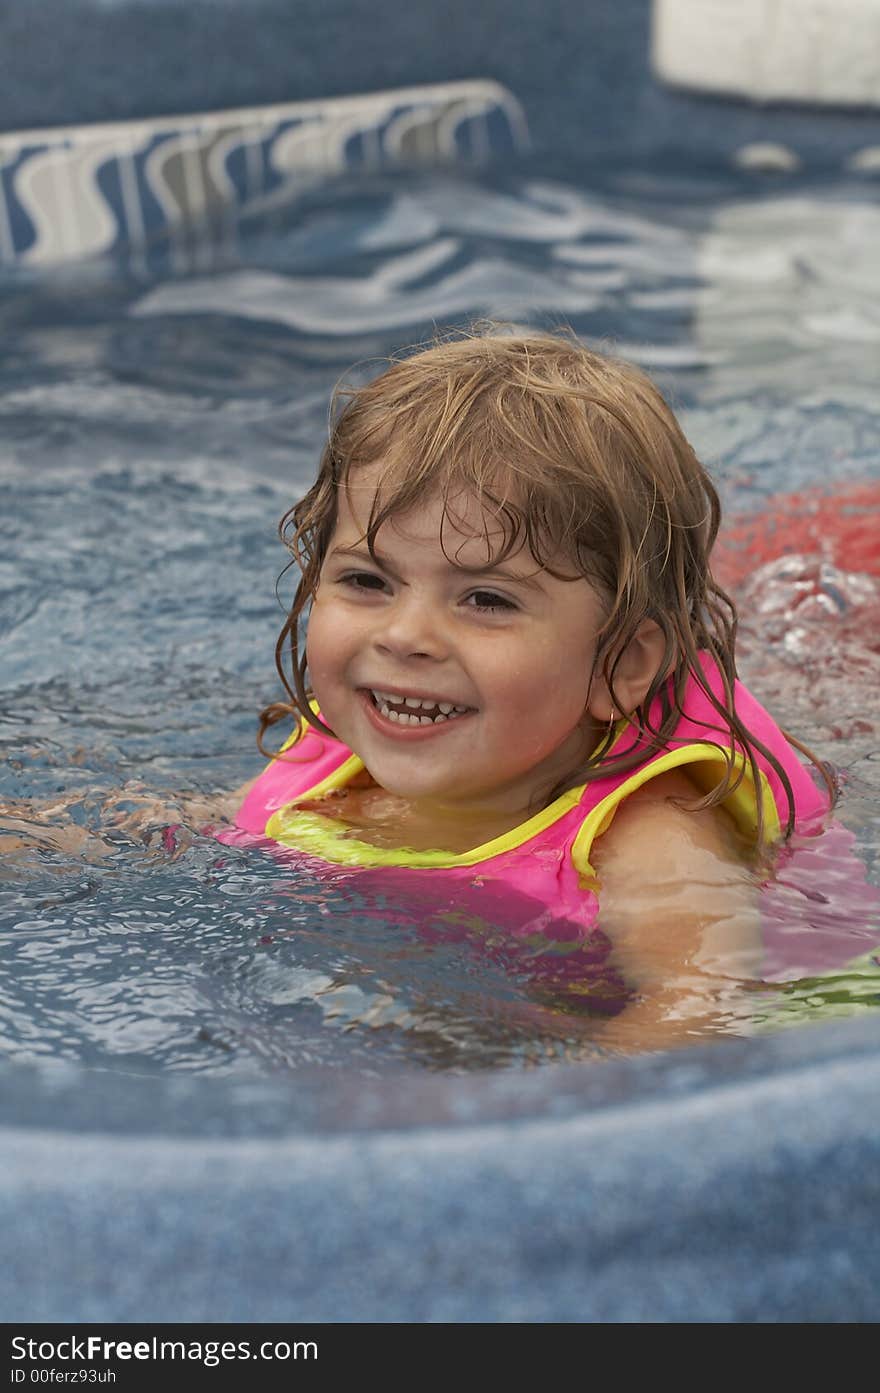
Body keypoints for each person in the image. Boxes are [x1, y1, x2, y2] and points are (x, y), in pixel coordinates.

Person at [218, 325, 837, 1048]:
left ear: (621, 664)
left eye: (487, 599)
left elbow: (698, 1008)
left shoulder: (650, 841)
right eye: (367, 580)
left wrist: (541, 1119)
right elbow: (207, 834)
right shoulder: (334, 768)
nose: (403, 635)